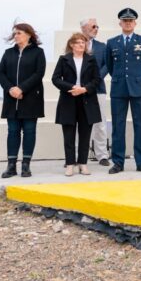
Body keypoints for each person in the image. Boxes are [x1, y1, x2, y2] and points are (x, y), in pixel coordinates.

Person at [105, 8, 141, 173]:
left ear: (135, 23)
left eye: (130, 21)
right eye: (125, 21)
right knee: (118, 127)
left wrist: (140, 78)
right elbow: (110, 66)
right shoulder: (112, 42)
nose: (128, 23)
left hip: (139, 89)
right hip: (118, 88)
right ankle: (118, 162)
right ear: (120, 23)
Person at [0, 23, 46, 178]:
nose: (16, 36)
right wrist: (11, 89)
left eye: (19, 33)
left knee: (29, 131)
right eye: (15, 33)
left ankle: (26, 165)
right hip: (11, 99)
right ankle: (11, 165)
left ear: (28, 35)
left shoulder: (38, 52)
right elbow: (0, 73)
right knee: (12, 131)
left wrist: (22, 88)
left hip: (31, 98)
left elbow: (39, 73)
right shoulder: (8, 53)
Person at [51, 32, 101, 176]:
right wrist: (72, 87)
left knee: (85, 134)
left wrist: (84, 89)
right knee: (69, 135)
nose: (81, 45)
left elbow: (97, 79)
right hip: (68, 100)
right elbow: (55, 79)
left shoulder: (91, 59)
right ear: (71, 45)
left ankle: (83, 164)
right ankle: (70, 164)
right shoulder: (64, 59)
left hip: (87, 100)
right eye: (78, 42)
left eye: (83, 42)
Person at [81, 18, 111, 166]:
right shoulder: (75, 43)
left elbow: (107, 65)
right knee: (79, 123)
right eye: (93, 26)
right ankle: (77, 156)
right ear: (83, 27)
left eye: (97, 27)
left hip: (98, 89)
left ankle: (102, 155)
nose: (96, 29)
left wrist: (95, 80)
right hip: (78, 90)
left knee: (100, 123)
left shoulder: (102, 46)